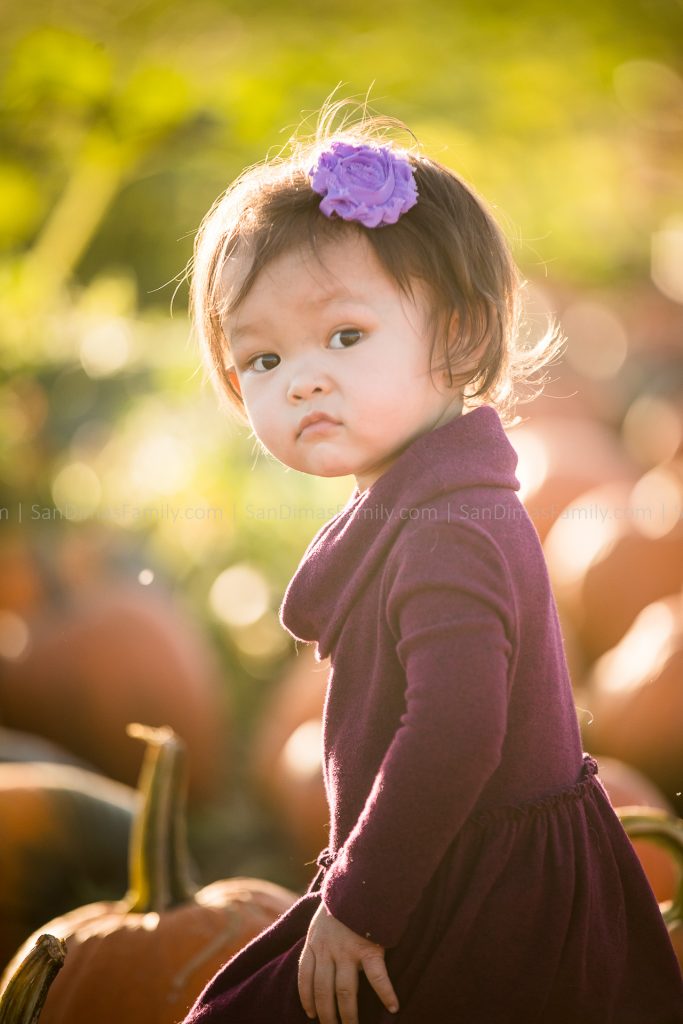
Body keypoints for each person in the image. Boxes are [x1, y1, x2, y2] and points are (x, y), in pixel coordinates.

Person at [182, 104, 683, 1023]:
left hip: (477, 893)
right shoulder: (420, 501)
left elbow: (455, 728)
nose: (301, 378)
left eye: (344, 337)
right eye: (260, 357)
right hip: (442, 857)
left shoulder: (449, 527)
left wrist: (359, 907)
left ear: (455, 337)